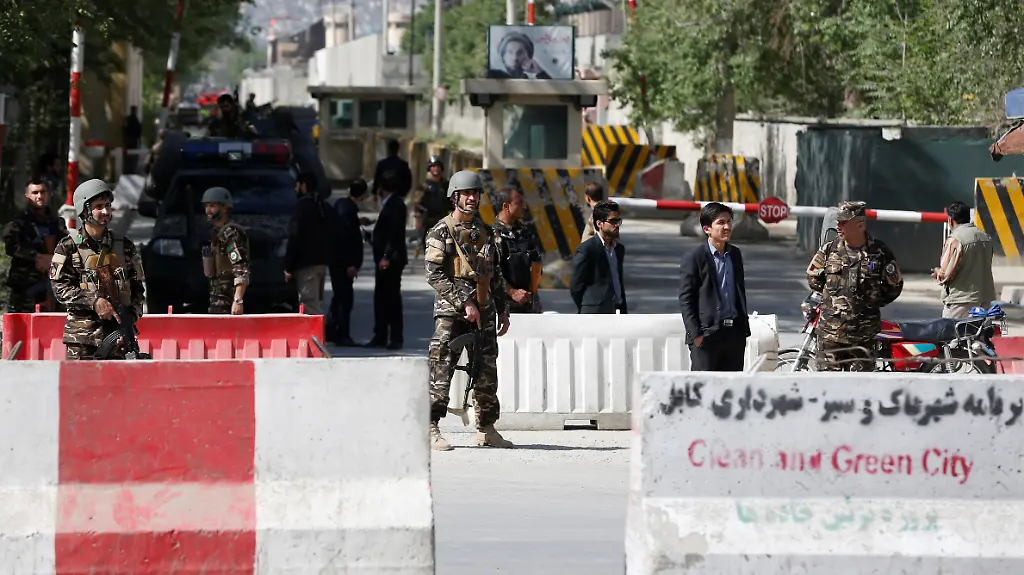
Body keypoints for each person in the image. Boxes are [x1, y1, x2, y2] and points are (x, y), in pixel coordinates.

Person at [424, 170, 513, 451]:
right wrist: (465, 302)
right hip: (452, 312)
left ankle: (486, 428)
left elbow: (495, 273)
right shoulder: (441, 231)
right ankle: (430, 427)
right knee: (441, 368)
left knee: (486, 370)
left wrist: (503, 309)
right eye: (466, 194)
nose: (472, 198)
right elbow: (434, 274)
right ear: (455, 197)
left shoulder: (486, 232)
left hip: (484, 310)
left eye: (475, 193)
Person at [49, 179, 146, 360]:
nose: (106, 212)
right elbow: (60, 288)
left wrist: (128, 322)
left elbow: (137, 289)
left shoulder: (124, 246)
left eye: (108, 206)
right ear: (85, 210)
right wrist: (93, 301)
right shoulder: (68, 247)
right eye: (99, 207)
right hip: (82, 341)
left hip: (119, 340)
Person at [806, 200, 904, 372]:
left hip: (863, 337)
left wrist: (870, 303)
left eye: (843, 222)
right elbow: (813, 278)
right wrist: (833, 300)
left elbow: (894, 287)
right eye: (838, 222)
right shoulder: (829, 250)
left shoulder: (879, 252)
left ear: (860, 224)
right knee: (827, 385)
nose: (838, 226)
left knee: (861, 386)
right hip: (831, 335)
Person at [678, 202, 751, 371]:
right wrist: (696, 335)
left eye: (729, 222)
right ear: (707, 229)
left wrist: (742, 331)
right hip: (707, 335)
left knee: (732, 386)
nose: (727, 227)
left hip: (734, 335)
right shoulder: (695, 257)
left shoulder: (735, 255)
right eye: (721, 223)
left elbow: (739, 292)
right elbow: (686, 299)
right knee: (704, 385)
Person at [3, 177, 69, 312]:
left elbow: (67, 247)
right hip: (25, 284)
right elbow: (11, 246)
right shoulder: (19, 222)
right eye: (35, 193)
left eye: (43, 192)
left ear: (48, 194)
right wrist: (36, 257)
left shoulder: (57, 223)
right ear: (27, 196)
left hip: (54, 284)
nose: (39, 196)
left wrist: (53, 259)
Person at [366, 171, 409, 349]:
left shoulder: (394, 205)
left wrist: (386, 256)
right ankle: (381, 334)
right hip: (387, 258)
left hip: (391, 261)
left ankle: (395, 337)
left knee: (391, 299)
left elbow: (394, 235)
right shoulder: (392, 204)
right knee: (382, 298)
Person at [932, 201, 996, 318]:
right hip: (984, 299)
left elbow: (946, 274)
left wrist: (937, 272)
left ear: (950, 221)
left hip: (960, 301)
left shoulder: (955, 240)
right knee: (979, 329)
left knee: (951, 329)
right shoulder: (986, 237)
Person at [327, 179, 368, 346]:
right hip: (342, 263)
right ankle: (342, 334)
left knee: (339, 297)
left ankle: (331, 330)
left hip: (336, 260)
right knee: (345, 299)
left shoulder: (342, 206)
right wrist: (350, 264)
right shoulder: (348, 210)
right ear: (362, 195)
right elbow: (345, 238)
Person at [284, 173, 330, 315]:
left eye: (297, 185)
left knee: (310, 306)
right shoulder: (322, 206)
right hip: (320, 264)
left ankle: (318, 330)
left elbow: (295, 237)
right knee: (315, 302)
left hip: (306, 266)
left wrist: (288, 265)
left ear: (303, 185)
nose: (295, 189)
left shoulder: (302, 207)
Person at [570, 200, 627, 314]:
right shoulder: (586, 249)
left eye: (618, 221)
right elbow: (575, 287)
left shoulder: (619, 249)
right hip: (593, 312)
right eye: (613, 221)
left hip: (616, 311)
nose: (617, 225)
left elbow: (618, 281)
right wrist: (588, 305)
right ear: (600, 223)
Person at [493, 187, 543, 313]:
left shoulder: (524, 232)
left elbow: (535, 264)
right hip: (505, 309)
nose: (524, 207)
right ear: (506, 206)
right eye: (519, 203)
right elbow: (490, 273)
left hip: (529, 305)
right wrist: (512, 292)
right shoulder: (492, 235)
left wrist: (535, 298)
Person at [201, 187, 249, 315]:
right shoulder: (217, 233)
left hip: (228, 300)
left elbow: (240, 267)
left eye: (212, 206)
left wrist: (238, 300)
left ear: (224, 208)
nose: (208, 210)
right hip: (217, 298)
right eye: (206, 206)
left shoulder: (230, 234)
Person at [414, 155, 450, 256]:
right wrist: (417, 220)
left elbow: (451, 201)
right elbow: (417, 203)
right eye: (433, 166)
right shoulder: (424, 185)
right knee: (427, 246)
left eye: (438, 166)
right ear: (429, 168)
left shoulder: (446, 185)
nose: (436, 169)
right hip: (427, 220)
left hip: (442, 219)